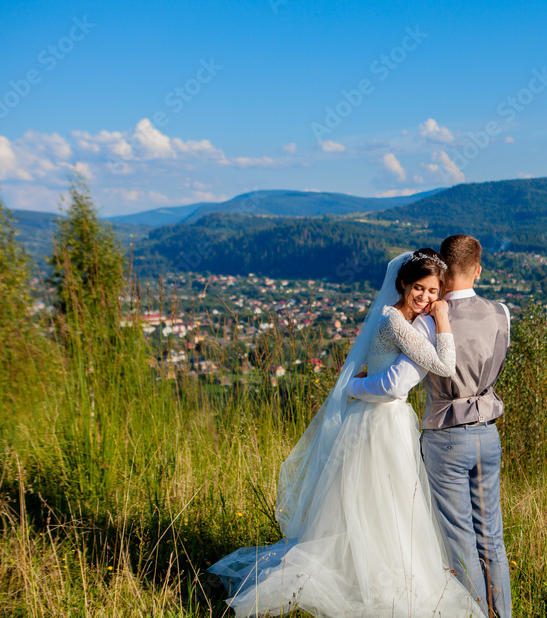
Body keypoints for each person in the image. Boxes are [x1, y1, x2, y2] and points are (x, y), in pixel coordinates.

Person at [207, 248, 486, 618]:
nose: (426, 298)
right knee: (374, 503)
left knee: (391, 505)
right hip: (376, 422)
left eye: (434, 292)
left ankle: (379, 572)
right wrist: (444, 319)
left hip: (388, 418)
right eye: (419, 288)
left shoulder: (406, 318)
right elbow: (444, 365)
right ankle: (366, 578)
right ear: (402, 284)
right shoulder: (394, 321)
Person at [347, 235, 513, 617]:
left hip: (447, 436)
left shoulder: (425, 323)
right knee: (492, 537)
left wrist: (353, 386)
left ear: (443, 270)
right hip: (488, 433)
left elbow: (398, 381)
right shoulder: (501, 312)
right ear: (478, 270)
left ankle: (470, 612)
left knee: (459, 539)